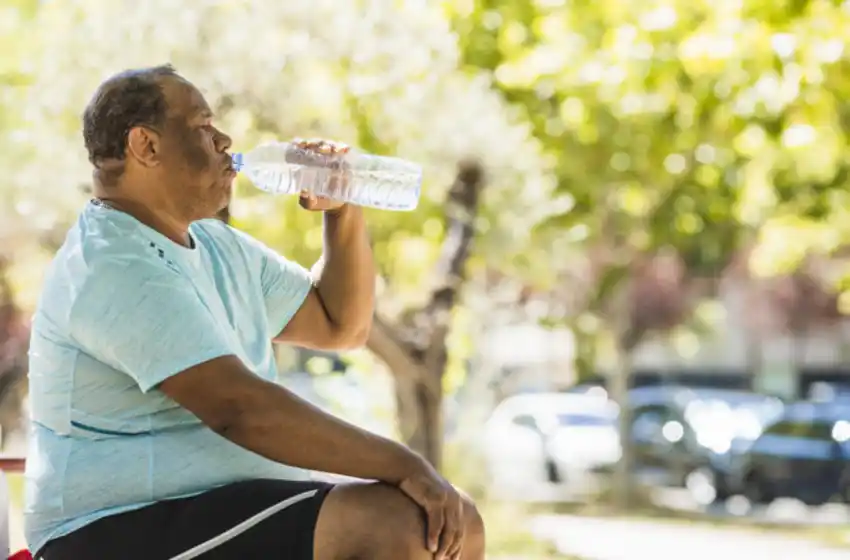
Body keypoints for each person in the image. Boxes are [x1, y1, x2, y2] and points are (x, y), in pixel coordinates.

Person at [24, 64, 485, 560]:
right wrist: (404, 464)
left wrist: (342, 209)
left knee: (459, 524)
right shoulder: (110, 264)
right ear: (147, 146)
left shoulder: (215, 244)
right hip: (110, 532)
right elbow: (239, 410)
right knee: (400, 525)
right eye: (202, 127)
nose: (224, 140)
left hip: (223, 512)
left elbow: (340, 324)